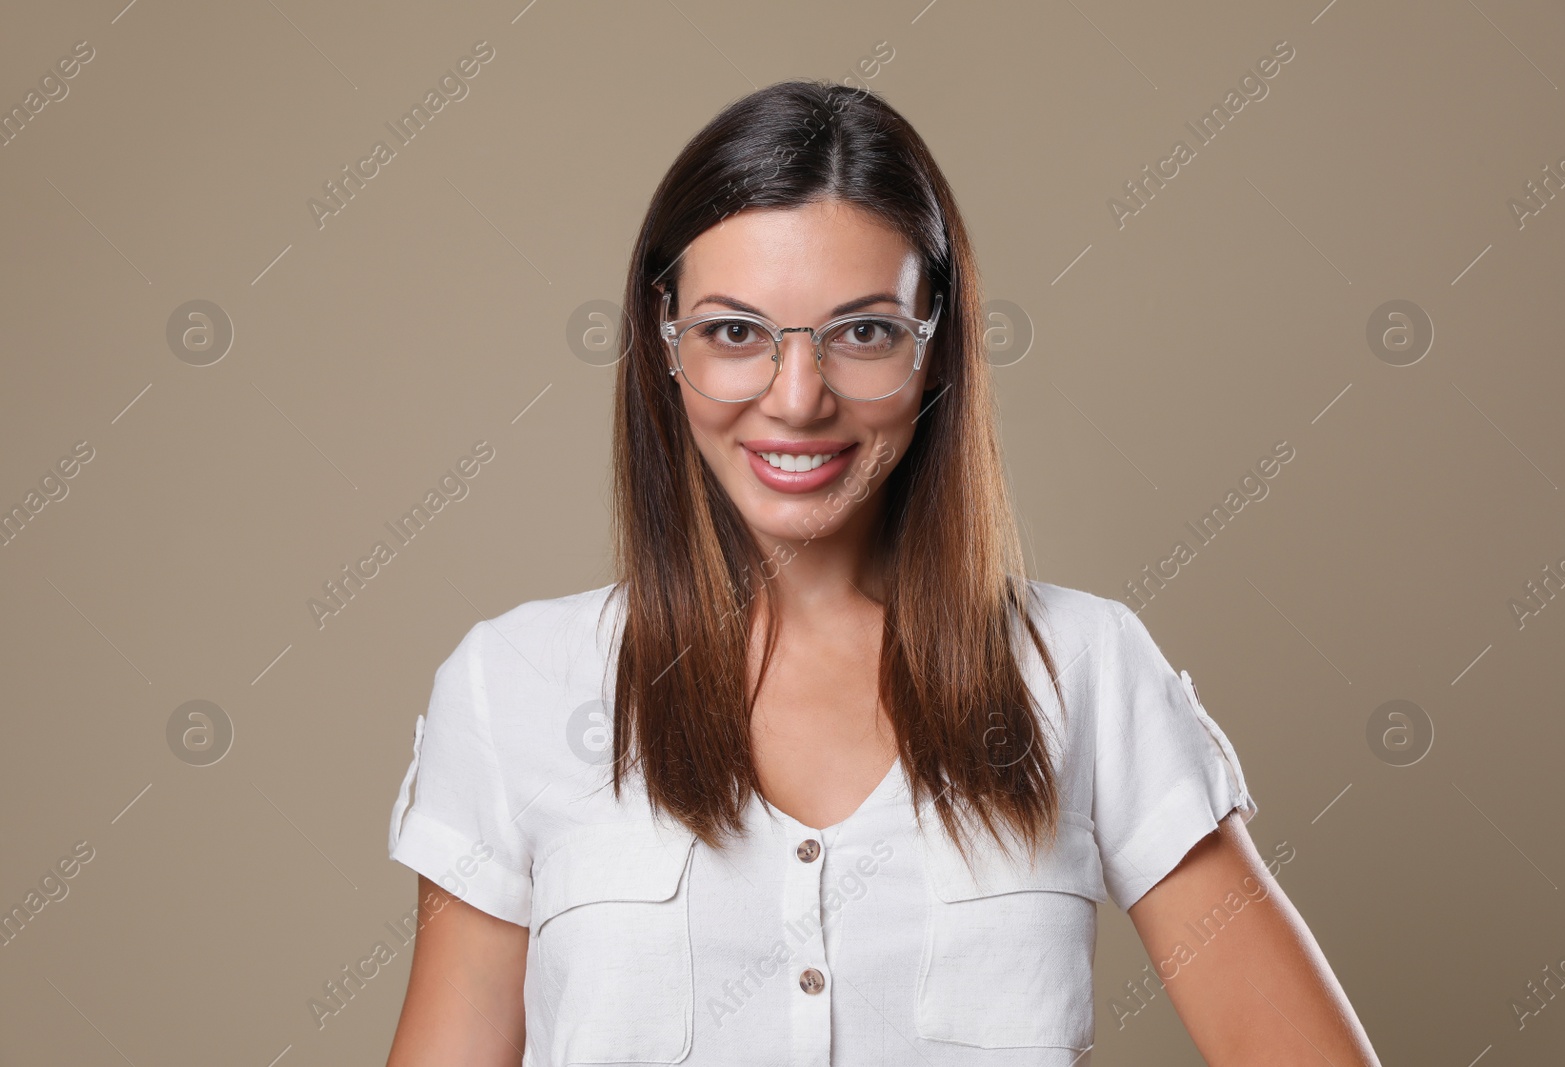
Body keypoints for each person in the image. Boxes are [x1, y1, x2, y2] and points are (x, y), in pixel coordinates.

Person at [383, 79, 1381, 1066]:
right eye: (735, 332)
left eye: (862, 332)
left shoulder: (1083, 669)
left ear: (936, 345)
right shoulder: (509, 685)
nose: (797, 398)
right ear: (664, 346)